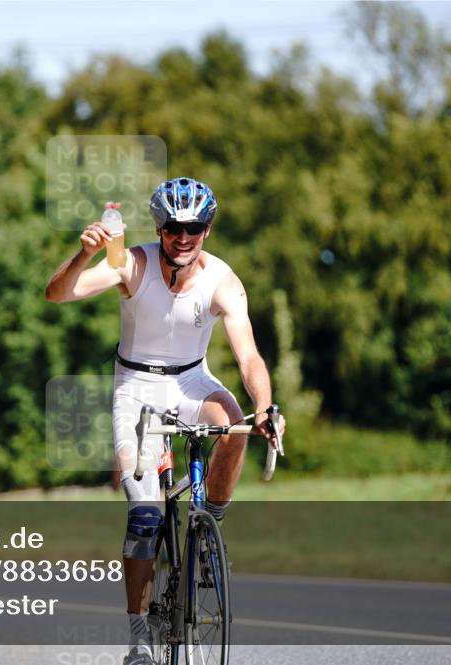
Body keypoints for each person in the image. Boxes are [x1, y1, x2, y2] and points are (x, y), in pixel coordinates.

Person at [45, 177, 285, 665]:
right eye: (173, 228)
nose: (182, 237)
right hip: (136, 389)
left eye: (193, 228)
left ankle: (210, 529)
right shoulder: (131, 263)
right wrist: (85, 254)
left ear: (207, 230)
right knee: (145, 517)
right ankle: (138, 638)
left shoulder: (223, 281)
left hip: (192, 381)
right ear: (159, 227)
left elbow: (249, 356)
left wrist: (265, 406)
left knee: (233, 423)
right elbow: (57, 294)